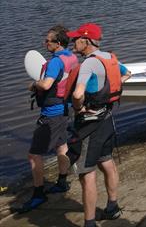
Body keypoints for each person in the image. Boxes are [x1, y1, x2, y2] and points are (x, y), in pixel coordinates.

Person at [66, 22, 131, 227]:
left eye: (76, 39)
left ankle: (89, 222)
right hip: (107, 120)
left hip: (90, 125)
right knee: (107, 162)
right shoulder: (110, 58)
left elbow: (77, 93)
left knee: (87, 173)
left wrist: (78, 108)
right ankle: (112, 207)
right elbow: (127, 73)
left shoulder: (88, 64)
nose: (73, 42)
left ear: (86, 41)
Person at [17, 25, 79, 213]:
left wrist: (33, 84)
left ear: (58, 43)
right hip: (65, 109)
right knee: (61, 146)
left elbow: (46, 84)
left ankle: (38, 194)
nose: (45, 43)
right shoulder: (72, 57)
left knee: (34, 155)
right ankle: (62, 182)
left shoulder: (55, 62)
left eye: (48, 40)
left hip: (52, 113)